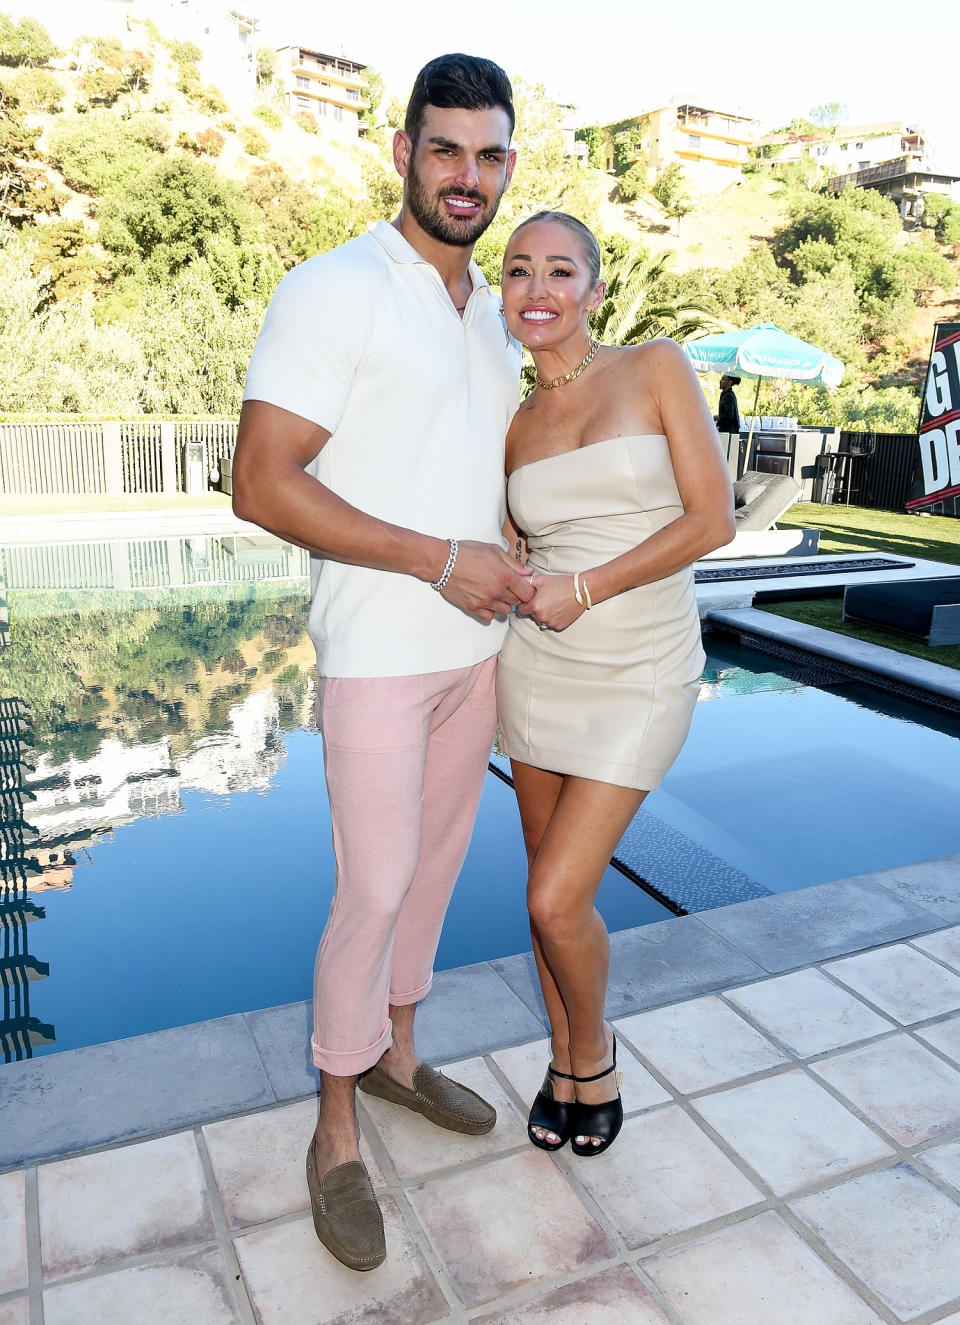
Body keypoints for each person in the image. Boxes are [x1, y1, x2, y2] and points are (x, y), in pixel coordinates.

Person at [232, 54, 534, 1272]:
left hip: (480, 652)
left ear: (510, 164)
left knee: (434, 873)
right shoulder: (335, 287)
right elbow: (261, 482)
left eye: (490, 153)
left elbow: (466, 466)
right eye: (447, 148)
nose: (468, 176)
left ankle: (402, 1058)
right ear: (403, 151)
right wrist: (434, 557)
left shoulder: (497, 315)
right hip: (378, 653)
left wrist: (504, 546)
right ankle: (336, 1126)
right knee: (373, 885)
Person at [496, 211, 734, 1157]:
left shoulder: (655, 368)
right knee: (540, 895)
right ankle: (562, 1060)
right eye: (519, 271)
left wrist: (586, 586)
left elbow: (711, 518)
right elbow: (515, 542)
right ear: (505, 294)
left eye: (561, 271)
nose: (539, 289)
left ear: (596, 290)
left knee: (560, 895)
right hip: (538, 667)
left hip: (640, 666)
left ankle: (592, 1047)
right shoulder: (512, 423)